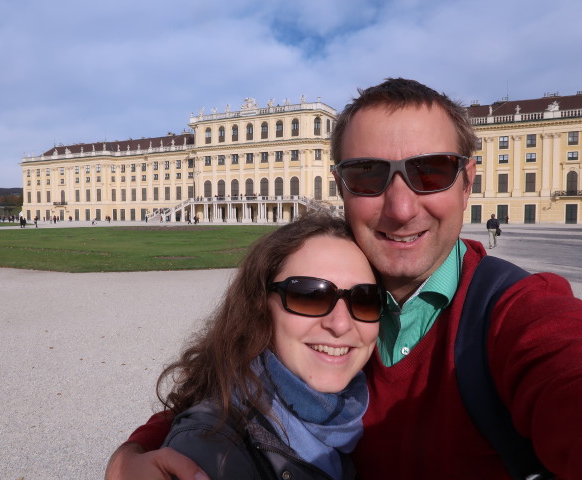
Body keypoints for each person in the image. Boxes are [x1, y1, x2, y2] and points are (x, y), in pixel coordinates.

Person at [106, 78, 582, 479]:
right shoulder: (329, 286)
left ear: (468, 180)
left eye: (431, 171)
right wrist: (137, 451)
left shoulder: (519, 312)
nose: (400, 209)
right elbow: (233, 372)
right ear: (341, 187)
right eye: (368, 174)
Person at [109, 212, 383, 479]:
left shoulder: (358, 405)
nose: (341, 324)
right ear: (260, 306)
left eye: (365, 299)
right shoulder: (210, 454)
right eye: (309, 296)